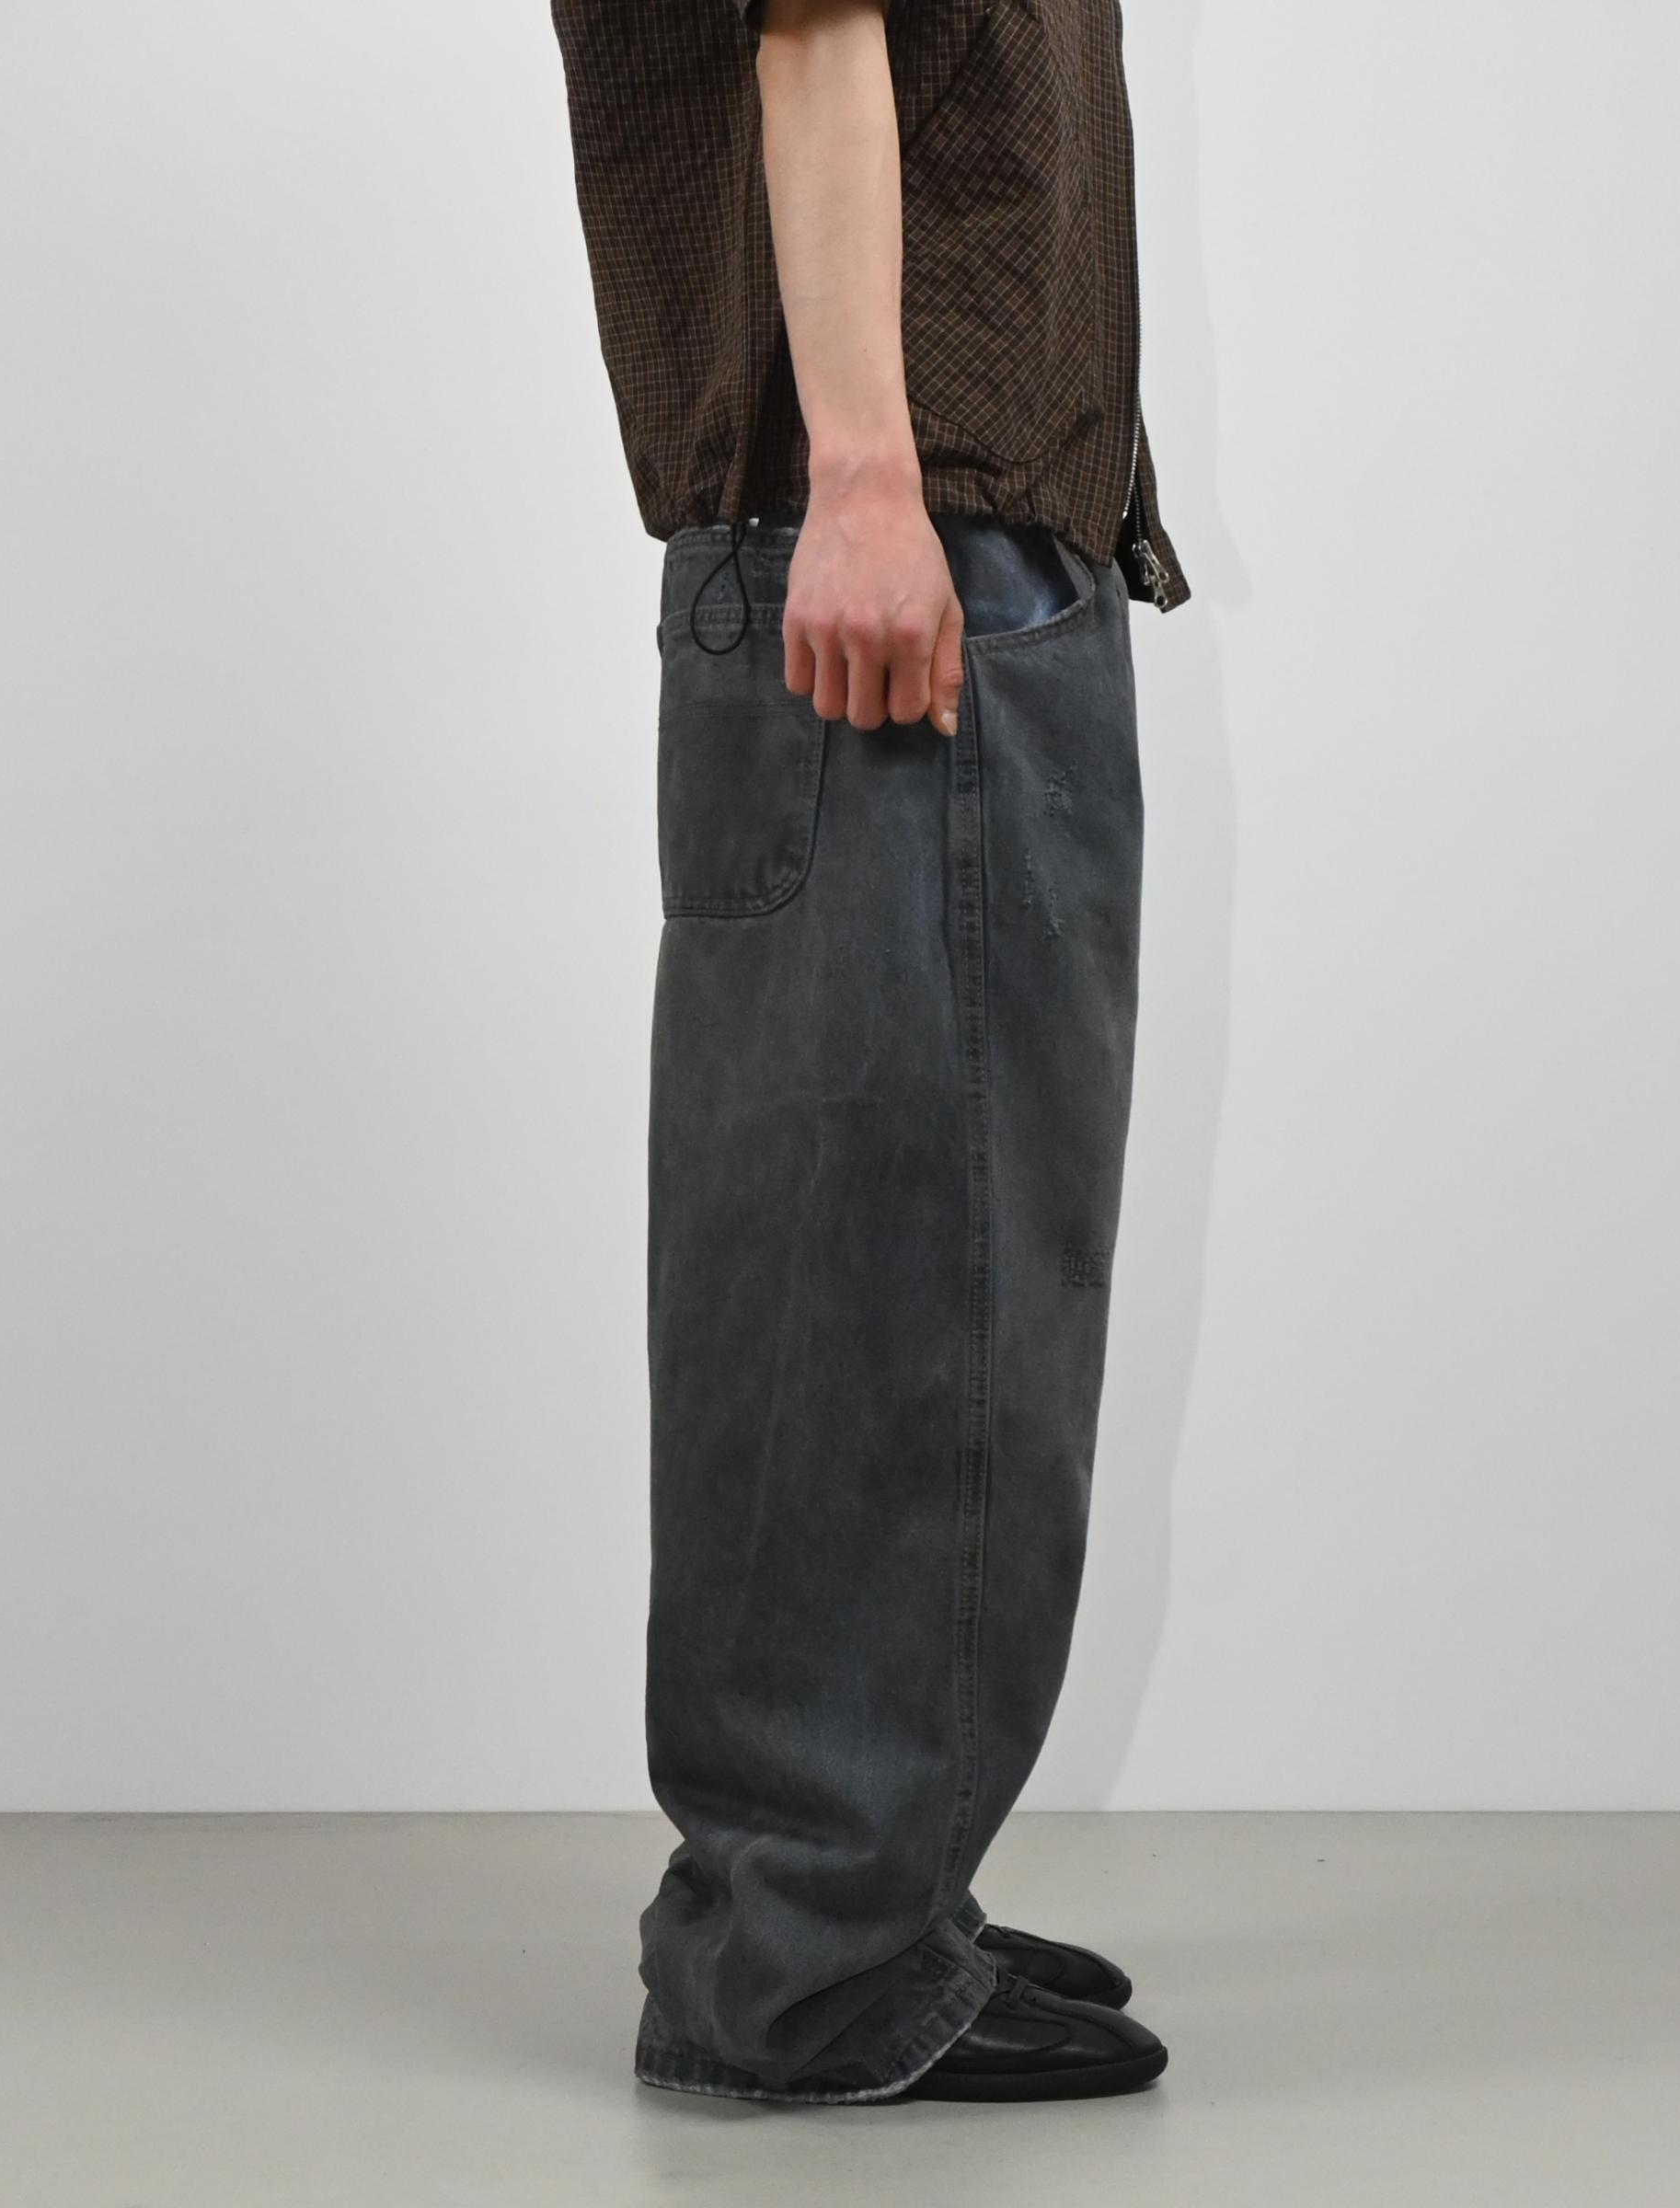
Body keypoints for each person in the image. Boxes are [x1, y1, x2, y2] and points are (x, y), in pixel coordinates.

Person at [548, 0, 1191, 2105]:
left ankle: (837, 1900)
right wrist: (867, 478)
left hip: (924, 535)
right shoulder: (879, 503)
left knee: (880, 1272)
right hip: (904, 555)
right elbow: (817, 31)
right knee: (905, 1289)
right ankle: (814, 1954)